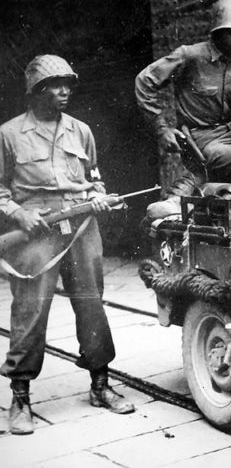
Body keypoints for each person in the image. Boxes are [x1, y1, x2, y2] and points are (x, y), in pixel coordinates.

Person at [0, 55, 134, 435]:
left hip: (81, 227)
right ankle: (21, 396)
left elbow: (94, 178)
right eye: (56, 85)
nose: (65, 91)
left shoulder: (81, 131)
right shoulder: (8, 134)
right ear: (36, 91)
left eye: (68, 84)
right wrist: (18, 213)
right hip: (37, 228)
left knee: (92, 302)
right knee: (30, 309)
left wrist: (102, 196)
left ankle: (101, 384)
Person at [136, 0, 231, 213]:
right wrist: (162, 129)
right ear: (217, 32)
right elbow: (145, 81)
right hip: (203, 139)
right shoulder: (191, 55)